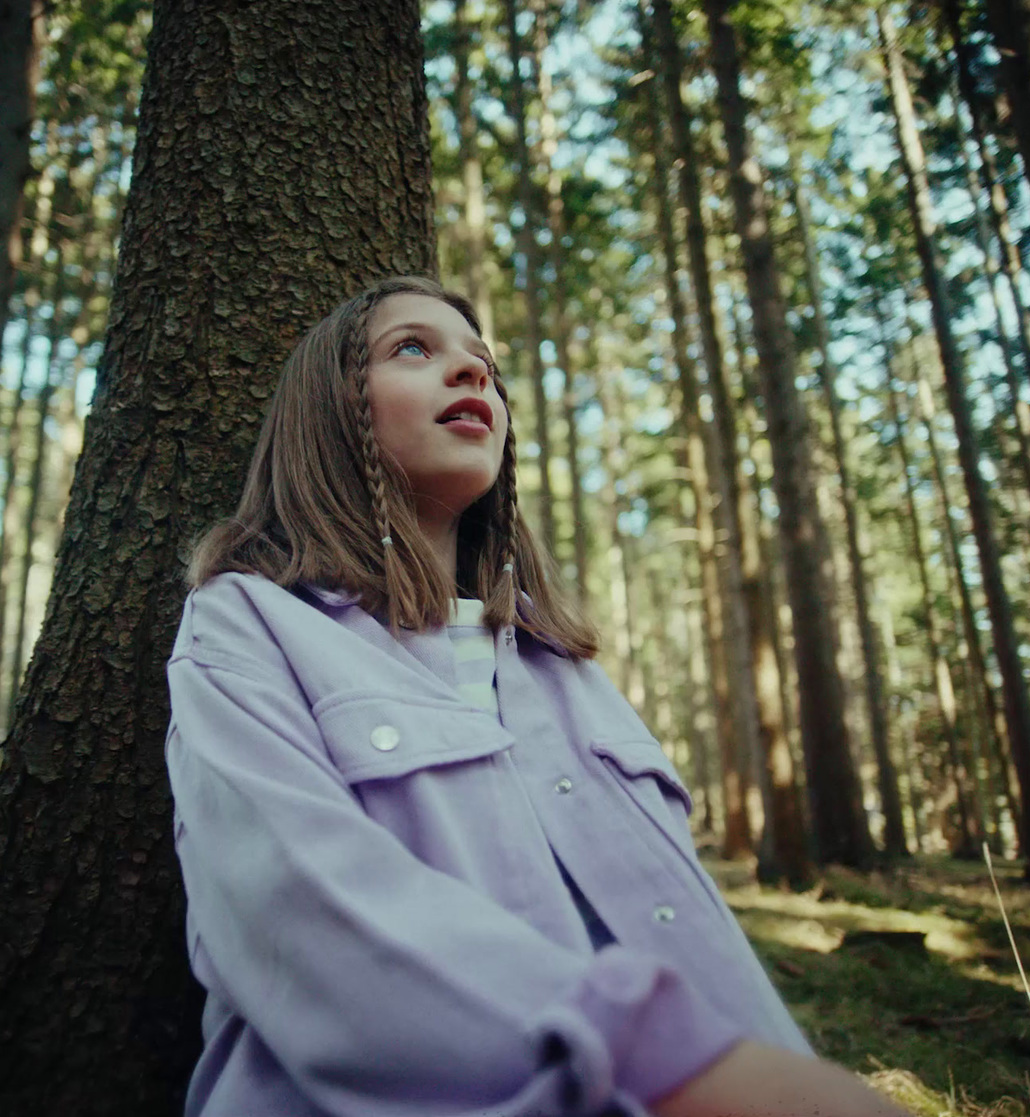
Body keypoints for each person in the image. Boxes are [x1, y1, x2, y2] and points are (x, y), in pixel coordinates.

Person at [165, 275, 907, 1117]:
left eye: (484, 363)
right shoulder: (248, 622)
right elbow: (294, 914)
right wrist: (677, 1065)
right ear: (328, 410)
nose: (473, 373)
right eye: (414, 348)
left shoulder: (565, 667)